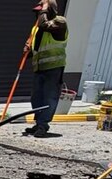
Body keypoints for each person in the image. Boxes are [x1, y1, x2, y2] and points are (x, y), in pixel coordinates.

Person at [24, 0, 68, 138]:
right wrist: (28, 50)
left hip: (53, 68)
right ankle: (38, 123)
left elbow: (45, 25)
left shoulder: (60, 22)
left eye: (41, 12)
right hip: (39, 68)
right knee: (36, 98)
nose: (38, 14)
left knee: (49, 97)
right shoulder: (36, 28)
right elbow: (36, 48)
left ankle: (43, 125)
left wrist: (45, 8)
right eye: (37, 12)